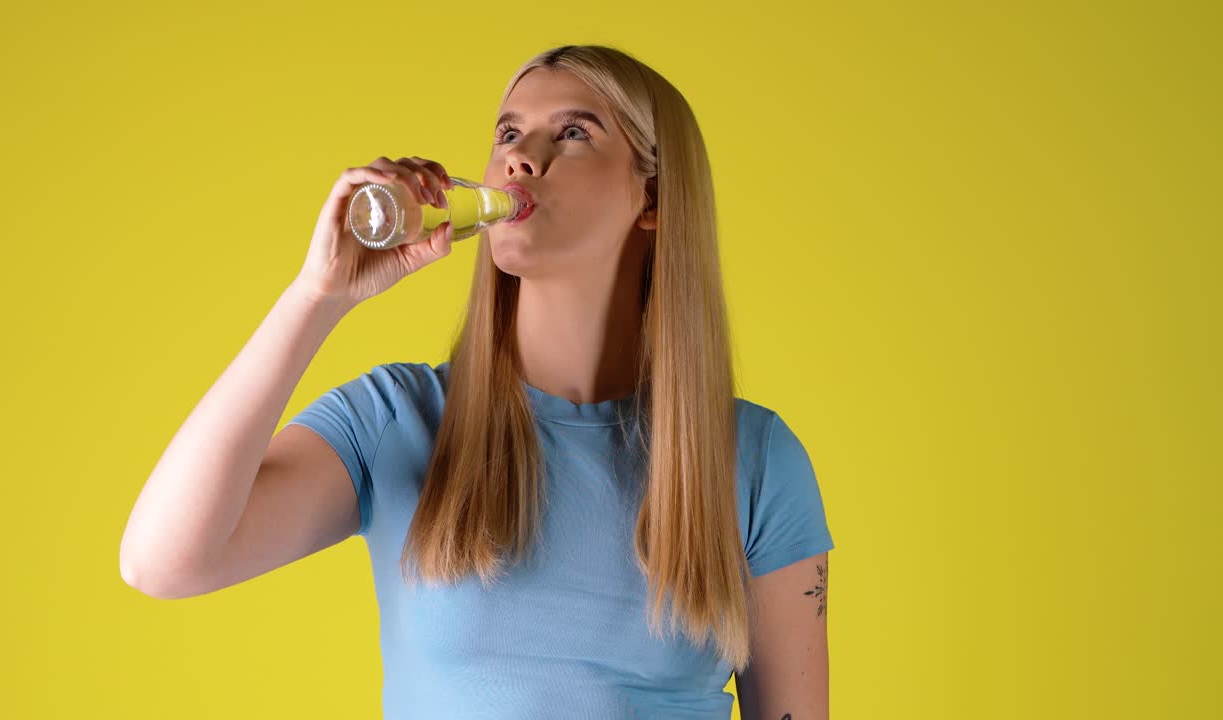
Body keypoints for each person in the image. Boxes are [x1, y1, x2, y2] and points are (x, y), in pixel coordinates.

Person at [120, 44, 834, 719]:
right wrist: (317, 297)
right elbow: (163, 563)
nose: (522, 158)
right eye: (508, 134)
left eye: (574, 133)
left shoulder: (755, 459)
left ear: (652, 199)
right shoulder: (397, 420)